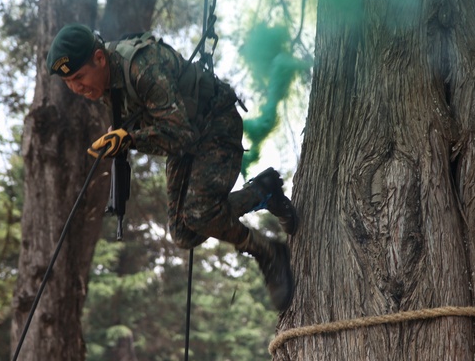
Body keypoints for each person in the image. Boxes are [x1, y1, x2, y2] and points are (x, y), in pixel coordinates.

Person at [46, 23, 298, 311]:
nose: (77, 88)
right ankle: (263, 191)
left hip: (215, 125)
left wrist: (129, 138)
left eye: (79, 77)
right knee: (183, 232)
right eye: (68, 83)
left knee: (199, 215)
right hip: (184, 137)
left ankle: (268, 252)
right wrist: (124, 139)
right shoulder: (105, 85)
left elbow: (181, 136)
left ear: (100, 58)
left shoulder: (141, 67)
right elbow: (161, 134)